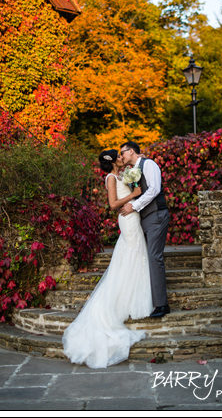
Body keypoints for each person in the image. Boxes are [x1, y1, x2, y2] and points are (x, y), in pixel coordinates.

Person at [62, 149, 153, 369]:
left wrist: (133, 189)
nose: (123, 158)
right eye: (119, 156)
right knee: (132, 255)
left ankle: (132, 296)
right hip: (128, 220)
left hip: (133, 217)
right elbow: (112, 204)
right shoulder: (111, 178)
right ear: (113, 162)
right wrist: (135, 194)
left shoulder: (122, 175)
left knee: (134, 257)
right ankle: (124, 301)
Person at [119, 141, 170, 318]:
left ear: (131, 151)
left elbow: (154, 189)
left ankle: (162, 305)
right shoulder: (132, 171)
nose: (121, 156)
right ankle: (150, 300)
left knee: (154, 258)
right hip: (144, 218)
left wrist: (134, 206)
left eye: (122, 153)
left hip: (156, 215)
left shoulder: (149, 164)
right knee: (145, 258)